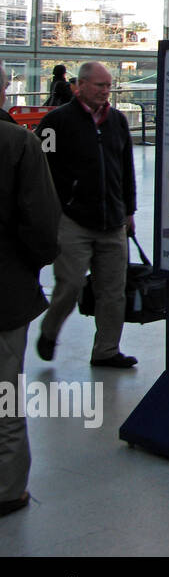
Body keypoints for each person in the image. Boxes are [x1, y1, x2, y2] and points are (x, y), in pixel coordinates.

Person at [33, 62, 138, 368]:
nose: (105, 91)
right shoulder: (56, 121)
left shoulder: (117, 121)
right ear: (80, 86)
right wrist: (55, 208)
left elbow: (126, 169)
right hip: (73, 220)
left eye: (108, 86)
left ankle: (106, 349)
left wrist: (129, 210)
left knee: (113, 290)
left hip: (113, 220)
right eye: (99, 85)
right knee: (70, 285)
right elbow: (42, 168)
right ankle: (50, 330)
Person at [0, 63, 61, 518]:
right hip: (5, 293)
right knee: (4, 393)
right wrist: (30, 263)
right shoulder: (17, 143)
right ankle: (7, 488)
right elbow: (42, 224)